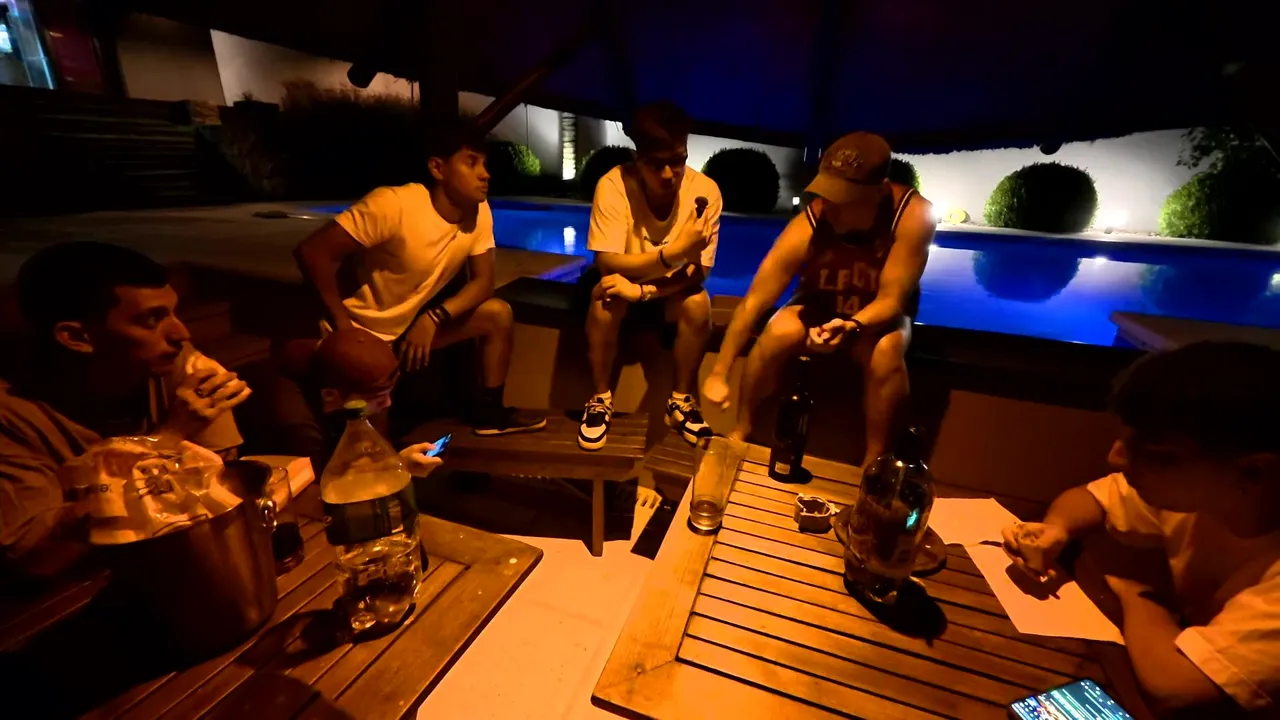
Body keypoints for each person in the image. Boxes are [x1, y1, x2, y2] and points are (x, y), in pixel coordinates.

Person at [1002, 342, 1280, 716]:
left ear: (1253, 472)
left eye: (1155, 453)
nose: (1115, 457)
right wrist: (1057, 528)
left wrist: (1140, 598)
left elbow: (1177, 685)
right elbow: (1090, 499)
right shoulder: (1212, 496)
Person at [0, 242, 250, 578]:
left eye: (174, 312)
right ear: (77, 337)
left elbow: (217, 485)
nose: (181, 333)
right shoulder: (12, 416)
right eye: (152, 320)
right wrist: (166, 440)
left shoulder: (167, 362)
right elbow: (38, 559)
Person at [294, 118, 544, 436]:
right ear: (438, 168)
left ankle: (489, 413)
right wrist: (344, 329)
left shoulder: (478, 211)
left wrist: (434, 317)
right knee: (376, 444)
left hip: (403, 331)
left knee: (497, 314)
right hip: (359, 330)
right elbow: (313, 252)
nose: (485, 174)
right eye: (471, 162)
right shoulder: (393, 205)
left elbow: (483, 282)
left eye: (484, 163)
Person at [702, 132, 934, 466]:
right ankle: (742, 431)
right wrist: (719, 372)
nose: (831, 207)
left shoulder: (912, 215)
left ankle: (874, 461)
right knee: (778, 330)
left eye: (844, 199)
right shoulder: (812, 220)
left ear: (878, 190)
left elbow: (892, 300)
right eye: (827, 194)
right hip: (819, 307)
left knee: (886, 352)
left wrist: (853, 326)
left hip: (875, 320)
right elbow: (755, 300)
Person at [577, 101, 722, 451]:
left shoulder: (705, 192)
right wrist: (671, 253)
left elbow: (699, 271)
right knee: (604, 297)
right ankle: (599, 398)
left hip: (666, 290)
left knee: (698, 304)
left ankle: (680, 400)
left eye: (679, 160)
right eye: (657, 165)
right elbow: (606, 263)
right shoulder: (613, 185)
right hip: (620, 283)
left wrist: (644, 292)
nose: (670, 174)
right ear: (638, 159)